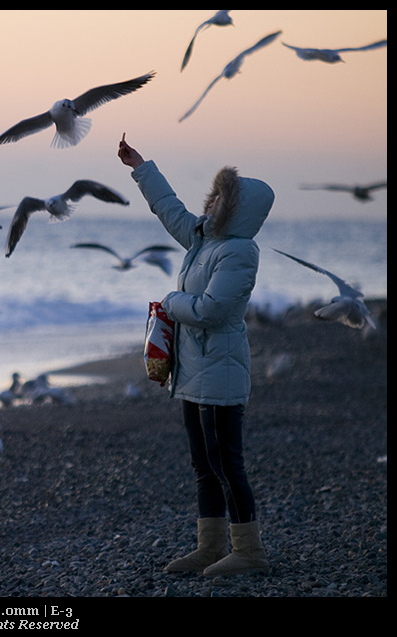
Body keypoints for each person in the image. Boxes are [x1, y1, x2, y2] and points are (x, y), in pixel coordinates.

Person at [117, 134, 274, 577]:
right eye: (215, 196)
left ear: (236, 210)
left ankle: (249, 551)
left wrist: (169, 302)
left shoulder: (239, 252)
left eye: (222, 199)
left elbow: (211, 310)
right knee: (204, 467)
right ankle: (209, 547)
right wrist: (140, 167)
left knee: (227, 465)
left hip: (220, 373)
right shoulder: (203, 240)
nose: (212, 205)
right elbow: (169, 210)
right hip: (192, 373)